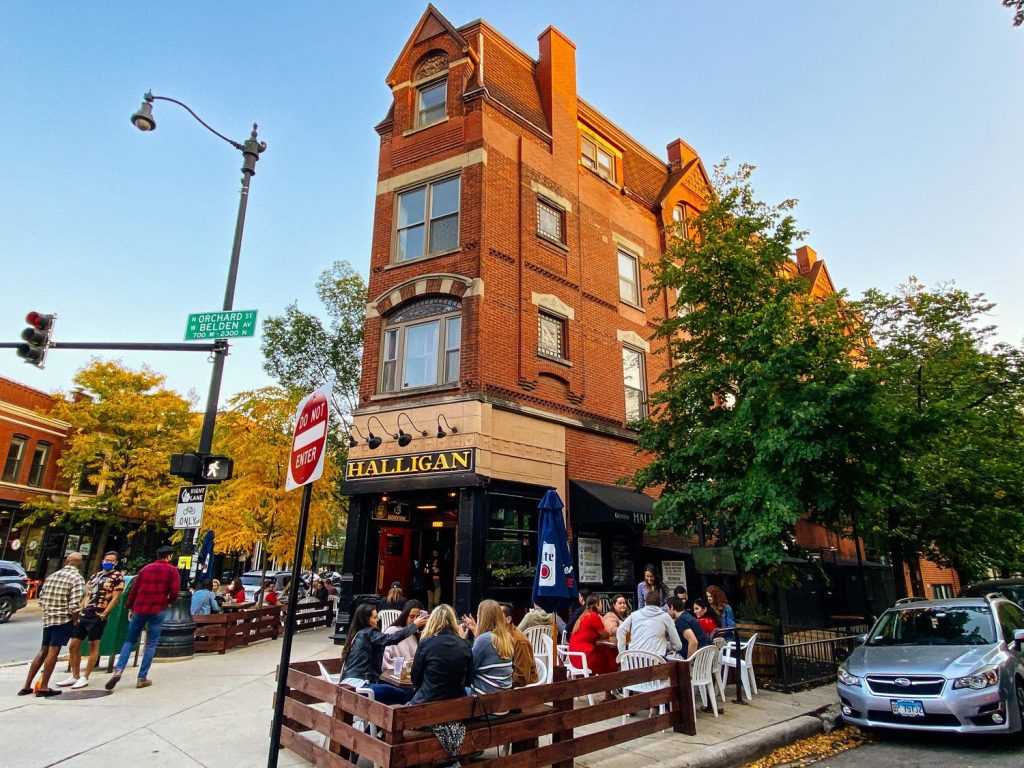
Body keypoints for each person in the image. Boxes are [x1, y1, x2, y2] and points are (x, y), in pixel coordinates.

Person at [106, 546, 180, 691]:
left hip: (140, 608)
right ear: (169, 556)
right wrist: (169, 601)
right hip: (158, 608)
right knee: (151, 643)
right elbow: (175, 591)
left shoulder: (145, 569)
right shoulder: (172, 570)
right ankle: (142, 677)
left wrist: (130, 606)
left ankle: (119, 670)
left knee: (129, 640)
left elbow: (134, 589)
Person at [19, 552, 86, 697]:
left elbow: (42, 599)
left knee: (43, 650)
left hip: (49, 618)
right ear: (79, 563)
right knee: (53, 651)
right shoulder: (77, 578)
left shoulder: (52, 576)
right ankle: (43, 686)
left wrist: (49, 611)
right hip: (63, 619)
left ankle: (27, 685)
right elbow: (74, 605)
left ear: (66, 561)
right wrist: (75, 620)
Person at [57, 551, 124, 690]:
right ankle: (75, 675)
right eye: (106, 559)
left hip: (98, 614)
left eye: (111, 560)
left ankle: (85, 676)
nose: (108, 562)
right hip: (85, 614)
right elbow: (87, 592)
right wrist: (83, 606)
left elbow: (115, 598)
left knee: (93, 645)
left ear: (116, 563)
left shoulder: (118, 577)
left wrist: (104, 613)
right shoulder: (96, 576)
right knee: (73, 645)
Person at [341, 603, 427, 705]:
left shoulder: (357, 634)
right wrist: (415, 625)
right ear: (365, 619)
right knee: (406, 694)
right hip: (361, 686)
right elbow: (390, 638)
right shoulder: (369, 633)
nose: (377, 620)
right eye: (374, 617)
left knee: (402, 692)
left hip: (348, 684)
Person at [407, 604, 473, 706]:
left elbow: (415, 679)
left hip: (427, 705)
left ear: (432, 621)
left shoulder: (426, 642)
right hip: (457, 707)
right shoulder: (464, 644)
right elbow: (469, 678)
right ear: (453, 621)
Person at [463, 599, 514, 699]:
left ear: (483, 618)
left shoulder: (485, 640)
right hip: (503, 702)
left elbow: (469, 669)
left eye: (478, 615)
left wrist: (461, 640)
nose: (477, 618)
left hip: (486, 704)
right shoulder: (507, 637)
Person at [616, 588, 682, 657]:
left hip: (634, 661)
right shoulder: (665, 617)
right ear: (660, 604)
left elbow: (620, 630)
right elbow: (678, 645)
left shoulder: (634, 615)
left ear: (645, 603)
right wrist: (666, 645)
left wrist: (622, 654)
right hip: (656, 663)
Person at [568, 595, 617, 674]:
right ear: (596, 605)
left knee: (605, 651)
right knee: (610, 657)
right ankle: (612, 681)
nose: (602, 606)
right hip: (584, 657)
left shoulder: (583, 615)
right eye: (600, 604)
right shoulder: (593, 616)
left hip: (574, 656)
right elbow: (606, 634)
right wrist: (603, 621)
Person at [381, 599, 423, 677]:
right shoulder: (392, 631)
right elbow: (384, 661)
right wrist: (405, 664)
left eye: (418, 617)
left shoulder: (415, 635)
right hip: (393, 677)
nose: (415, 620)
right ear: (405, 616)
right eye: (412, 616)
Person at [500, 602, 538, 687]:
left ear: (508, 620)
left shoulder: (519, 641)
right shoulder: (501, 636)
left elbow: (522, 678)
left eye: (497, 617)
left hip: (522, 690)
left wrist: (501, 682)